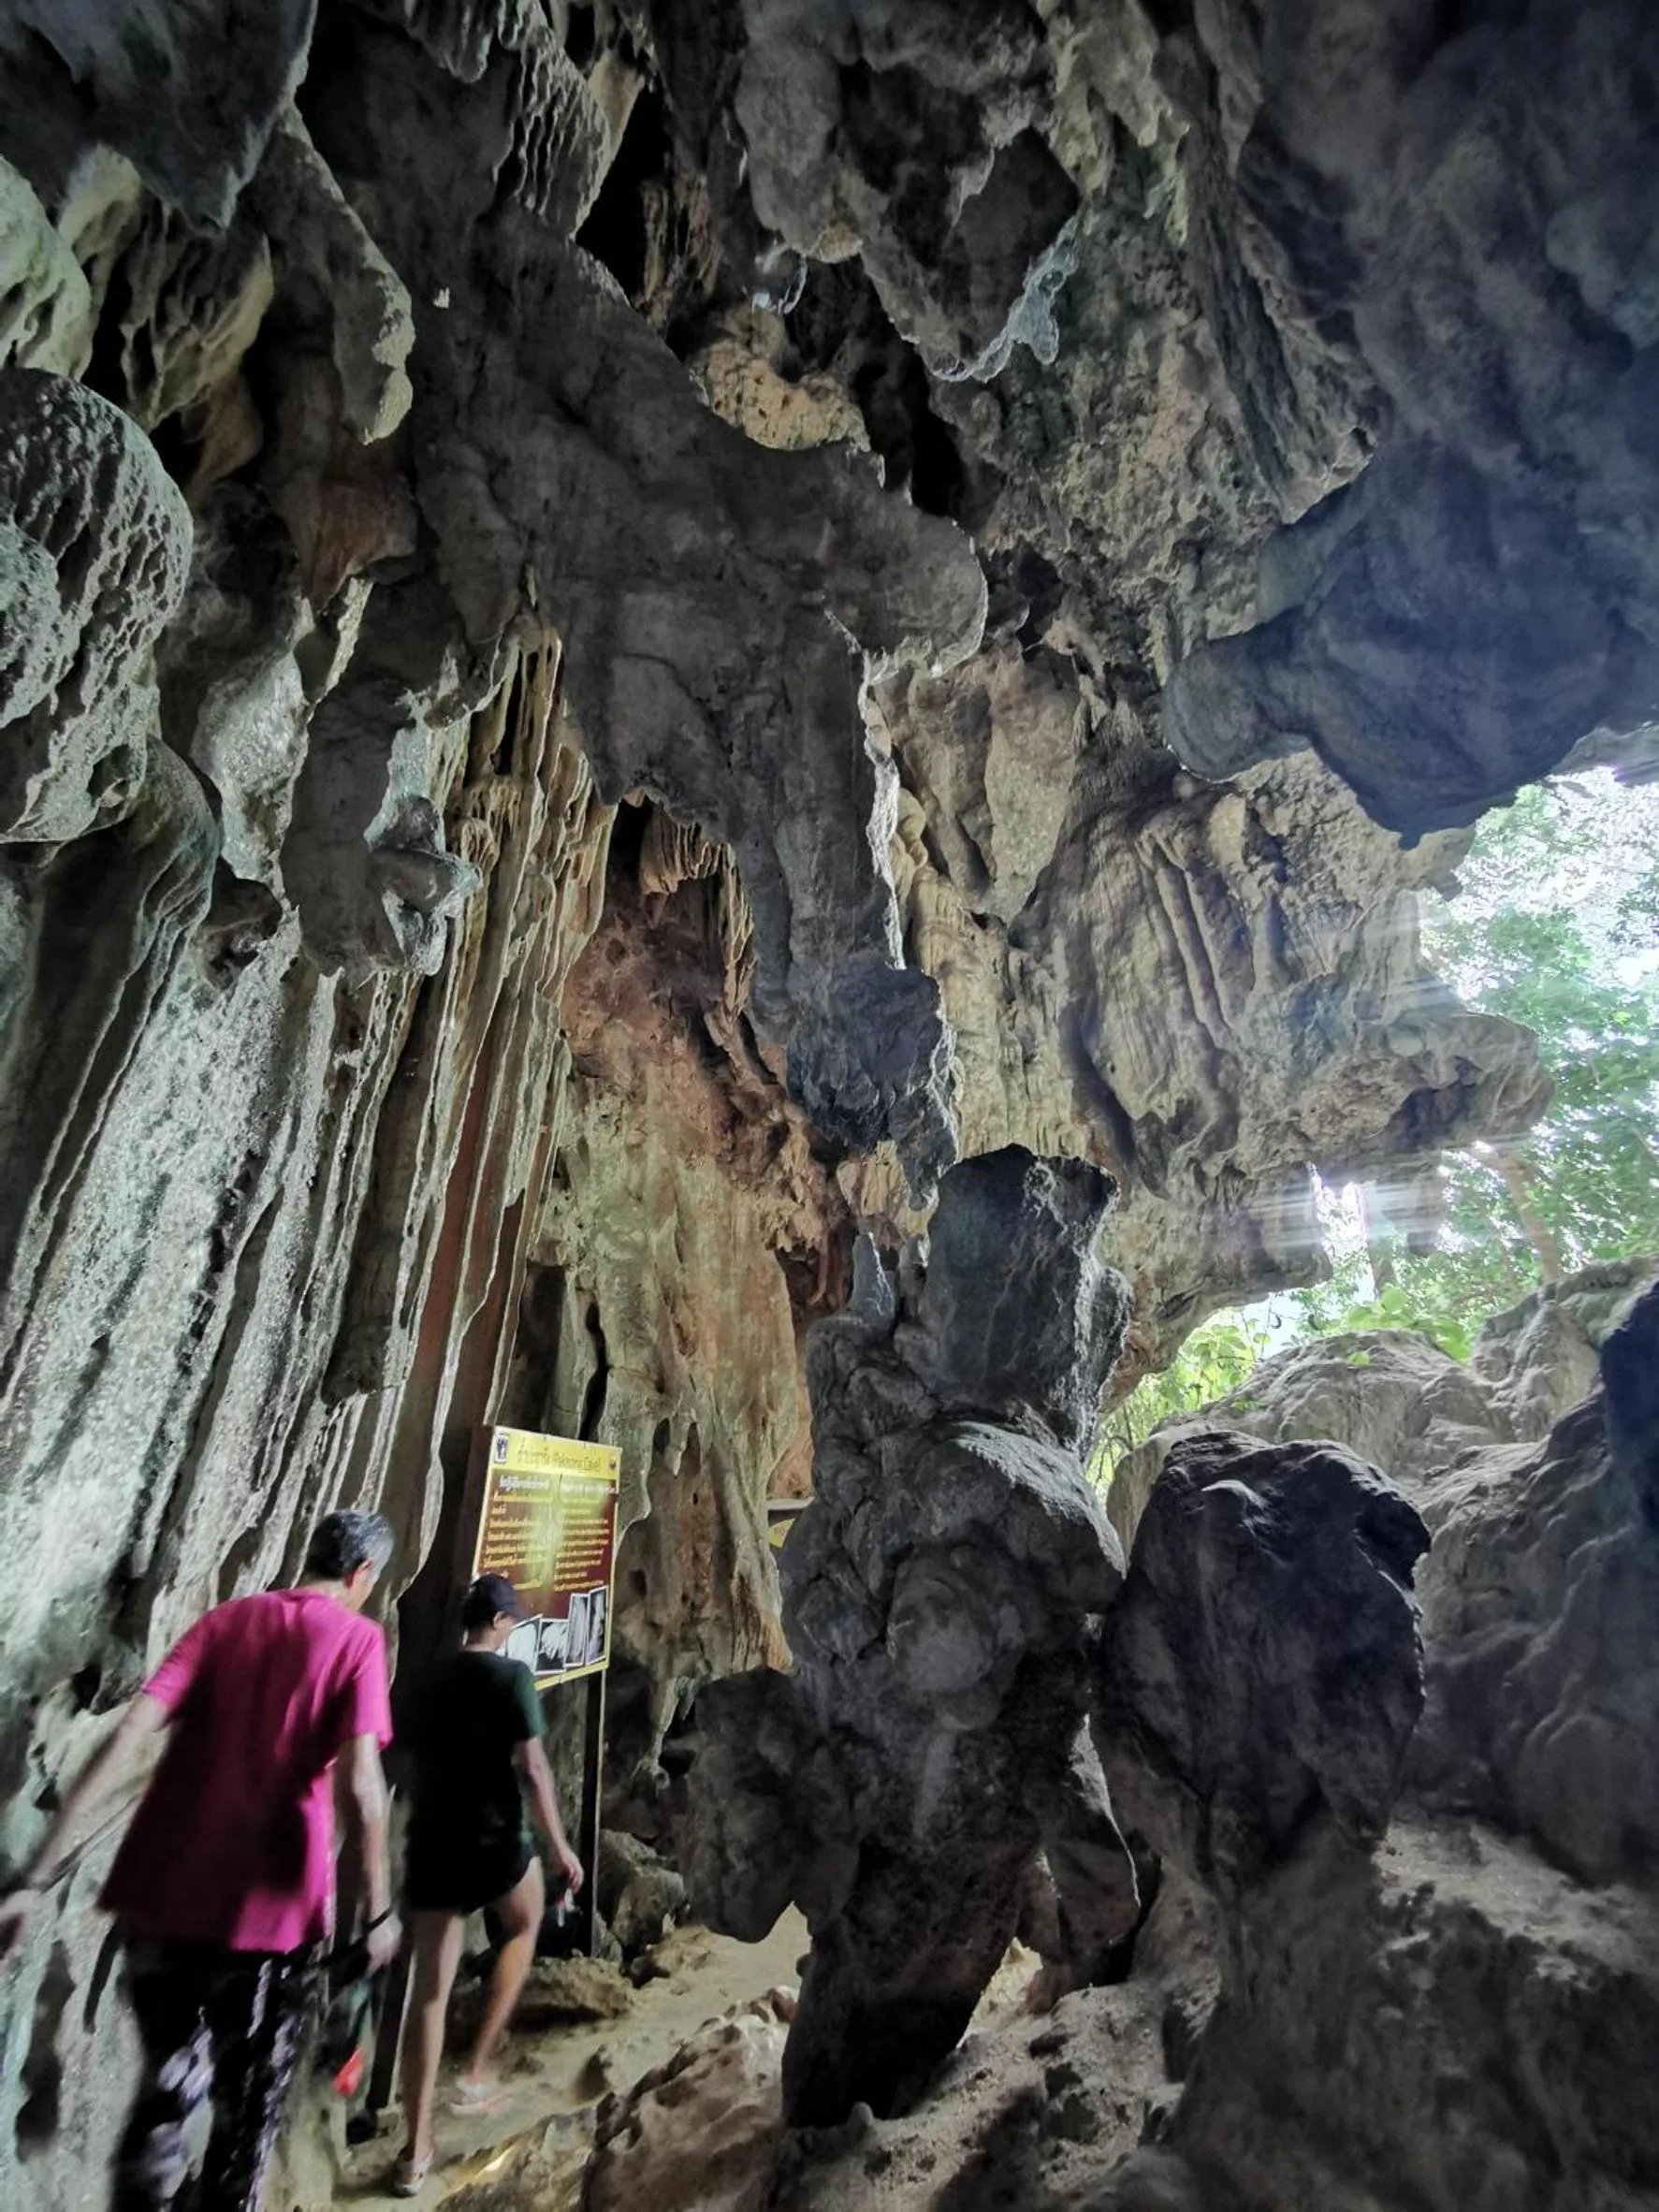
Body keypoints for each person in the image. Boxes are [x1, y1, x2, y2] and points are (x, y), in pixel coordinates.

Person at [0, 1508, 401, 2212]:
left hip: (162, 1898)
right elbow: (364, 1787)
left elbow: (127, 1736)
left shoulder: (225, 1621)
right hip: (268, 1918)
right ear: (362, 1575)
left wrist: (34, 1878)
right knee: (247, 2117)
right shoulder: (356, 1640)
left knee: (167, 2089)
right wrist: (380, 1912)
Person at [395, 1573, 584, 2196]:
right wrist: (559, 1848)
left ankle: (414, 2149)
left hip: (432, 1842)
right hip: (496, 1837)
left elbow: (406, 1756)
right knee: (525, 1925)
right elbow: (531, 1766)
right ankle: (476, 2067)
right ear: (502, 1624)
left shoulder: (426, 1677)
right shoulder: (510, 1678)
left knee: (428, 1992)